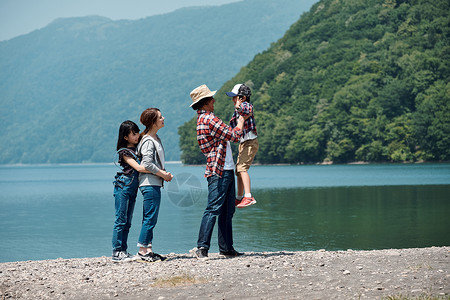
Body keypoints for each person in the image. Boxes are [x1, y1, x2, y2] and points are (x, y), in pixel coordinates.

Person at [189, 84, 248, 259]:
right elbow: (235, 136)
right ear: (205, 103)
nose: (214, 100)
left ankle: (226, 248)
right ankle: (202, 247)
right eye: (211, 99)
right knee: (215, 208)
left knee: (226, 210)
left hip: (222, 168)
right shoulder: (209, 119)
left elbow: (226, 134)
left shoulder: (204, 119)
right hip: (220, 169)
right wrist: (242, 118)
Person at [136, 108, 173, 262]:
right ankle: (143, 251)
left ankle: (148, 248)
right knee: (150, 217)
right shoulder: (148, 141)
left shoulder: (155, 138)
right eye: (160, 117)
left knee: (151, 217)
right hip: (149, 183)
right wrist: (163, 174)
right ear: (153, 122)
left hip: (153, 183)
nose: (163, 118)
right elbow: (147, 163)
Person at [112, 120, 151, 262]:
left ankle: (123, 251)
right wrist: (158, 171)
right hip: (123, 187)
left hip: (131, 189)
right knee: (120, 220)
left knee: (127, 222)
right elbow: (139, 168)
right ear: (125, 137)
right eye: (133, 134)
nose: (136, 136)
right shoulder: (124, 152)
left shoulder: (139, 148)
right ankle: (116, 252)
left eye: (137, 133)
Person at [226, 84, 259, 208]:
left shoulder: (246, 106)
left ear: (243, 98)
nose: (233, 100)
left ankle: (248, 196)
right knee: (238, 171)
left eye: (235, 97)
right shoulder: (237, 109)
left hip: (250, 142)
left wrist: (239, 107)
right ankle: (239, 198)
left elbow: (246, 111)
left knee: (242, 169)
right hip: (244, 143)